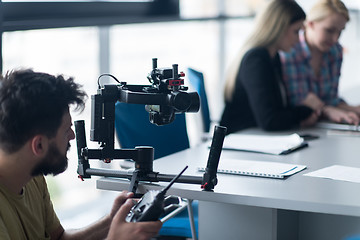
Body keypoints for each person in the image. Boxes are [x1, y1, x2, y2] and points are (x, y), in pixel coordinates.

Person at [0, 69, 162, 240]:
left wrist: (111, 221)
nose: (72, 135)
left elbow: (60, 238)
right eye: (65, 131)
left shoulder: (32, 177)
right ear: (39, 145)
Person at [220, 0, 322, 134]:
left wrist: (301, 116)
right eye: (296, 32)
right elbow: (270, 121)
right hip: (238, 140)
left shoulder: (274, 57)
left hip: (255, 136)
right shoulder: (256, 60)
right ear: (279, 28)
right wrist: (305, 108)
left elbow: (277, 110)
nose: (298, 40)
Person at [280, 0, 360, 125]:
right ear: (310, 24)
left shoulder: (335, 51)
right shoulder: (290, 51)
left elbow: (330, 99)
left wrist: (353, 109)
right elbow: (298, 102)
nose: (335, 38)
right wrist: (328, 110)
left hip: (320, 126)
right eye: (329, 30)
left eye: (340, 32)